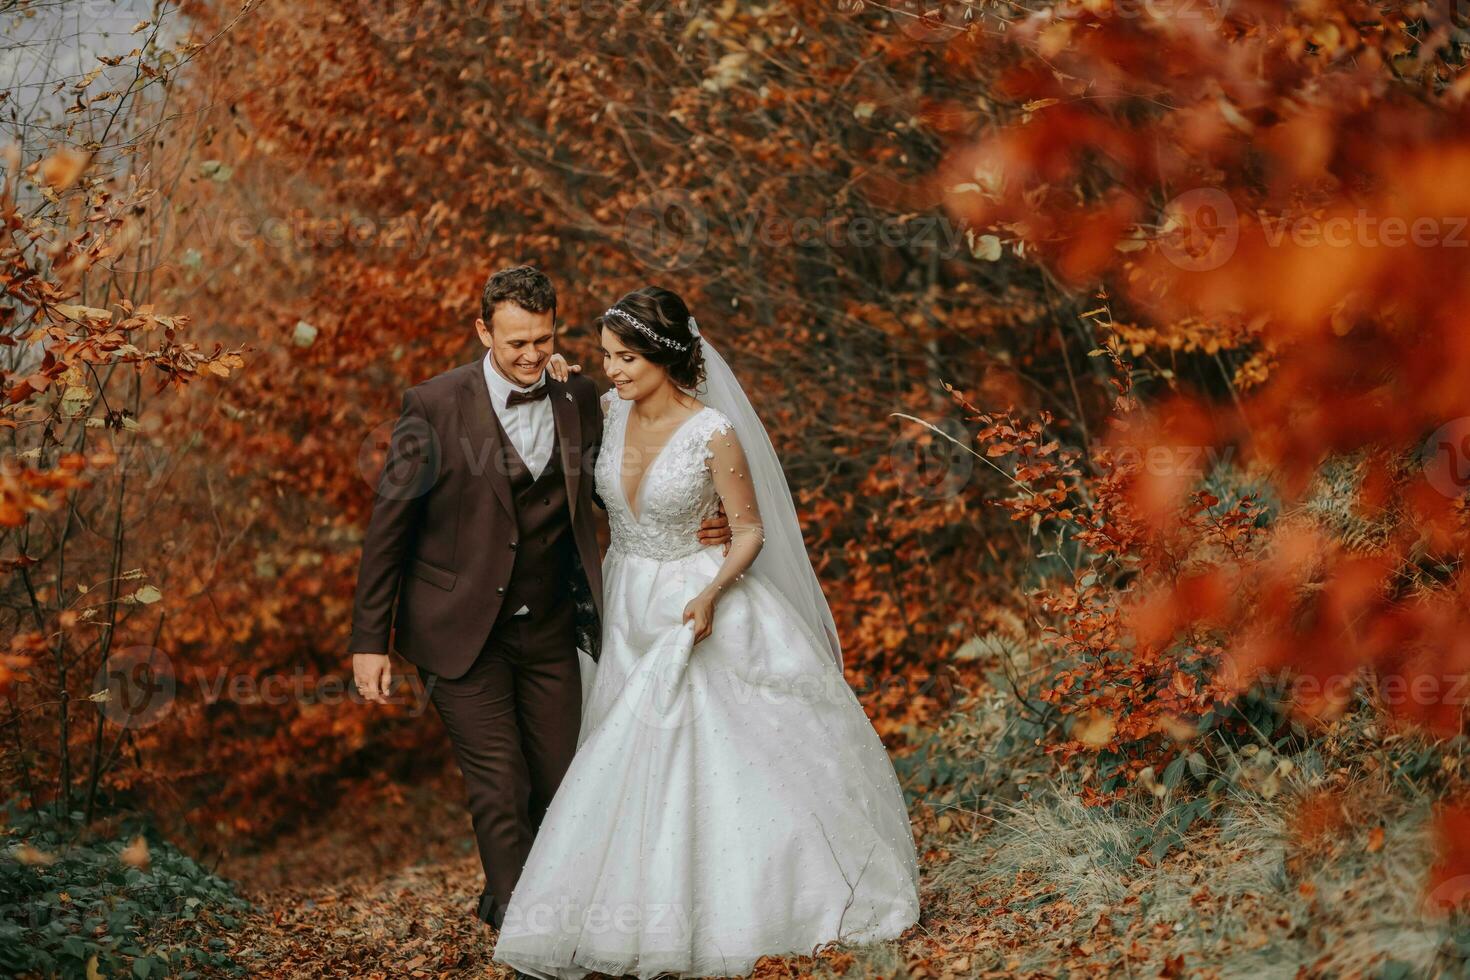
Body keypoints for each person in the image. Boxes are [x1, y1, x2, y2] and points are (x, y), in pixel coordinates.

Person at [492, 285, 920, 978]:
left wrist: (715, 591)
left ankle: (745, 903)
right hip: (626, 598)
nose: (616, 371)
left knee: (710, 750)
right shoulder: (602, 410)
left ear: (663, 355)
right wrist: (562, 375)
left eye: (627, 357)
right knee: (624, 757)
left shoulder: (712, 431)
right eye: (606, 358)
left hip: (697, 599)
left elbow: (749, 528)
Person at [348, 266, 730, 932]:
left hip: (552, 627)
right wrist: (366, 643)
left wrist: (712, 514)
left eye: (541, 339)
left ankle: (545, 909)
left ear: (556, 329)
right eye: (514, 342)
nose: (528, 356)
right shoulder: (432, 405)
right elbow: (389, 530)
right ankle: (529, 940)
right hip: (458, 632)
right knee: (501, 790)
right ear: (482, 331)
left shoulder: (579, 396)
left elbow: (652, 455)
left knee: (567, 787)